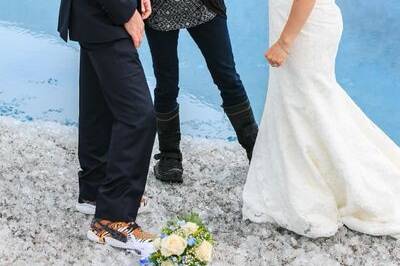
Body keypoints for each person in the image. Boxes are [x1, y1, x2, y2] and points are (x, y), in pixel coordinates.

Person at [243, 0, 400, 238]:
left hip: (302, 30)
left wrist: (285, 43)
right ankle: (298, 181)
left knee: (310, 106)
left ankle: (328, 185)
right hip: (295, 25)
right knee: (300, 106)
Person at [58, 0, 157, 252]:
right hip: (105, 14)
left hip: (94, 14)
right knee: (139, 117)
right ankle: (113, 219)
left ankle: (96, 189)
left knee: (99, 106)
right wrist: (125, 11)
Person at [145, 0, 259, 183]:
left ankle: (170, 158)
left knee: (223, 78)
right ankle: (170, 157)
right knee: (225, 77)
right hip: (164, 9)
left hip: (196, 7)